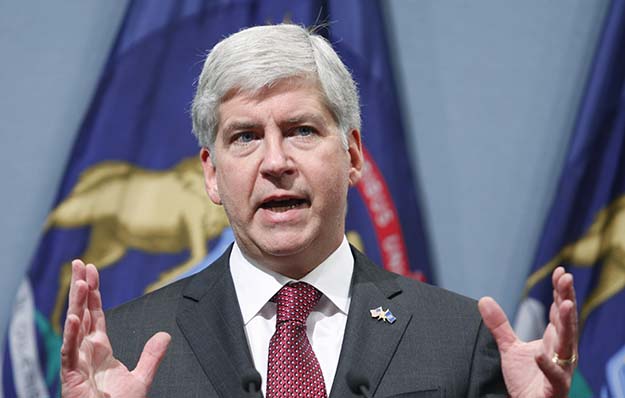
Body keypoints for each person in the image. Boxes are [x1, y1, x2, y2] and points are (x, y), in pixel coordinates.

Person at [60, 24, 578, 398]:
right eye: (244, 137)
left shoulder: (456, 337)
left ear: (352, 154)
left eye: (301, 130)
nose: (276, 162)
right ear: (212, 175)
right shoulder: (130, 343)